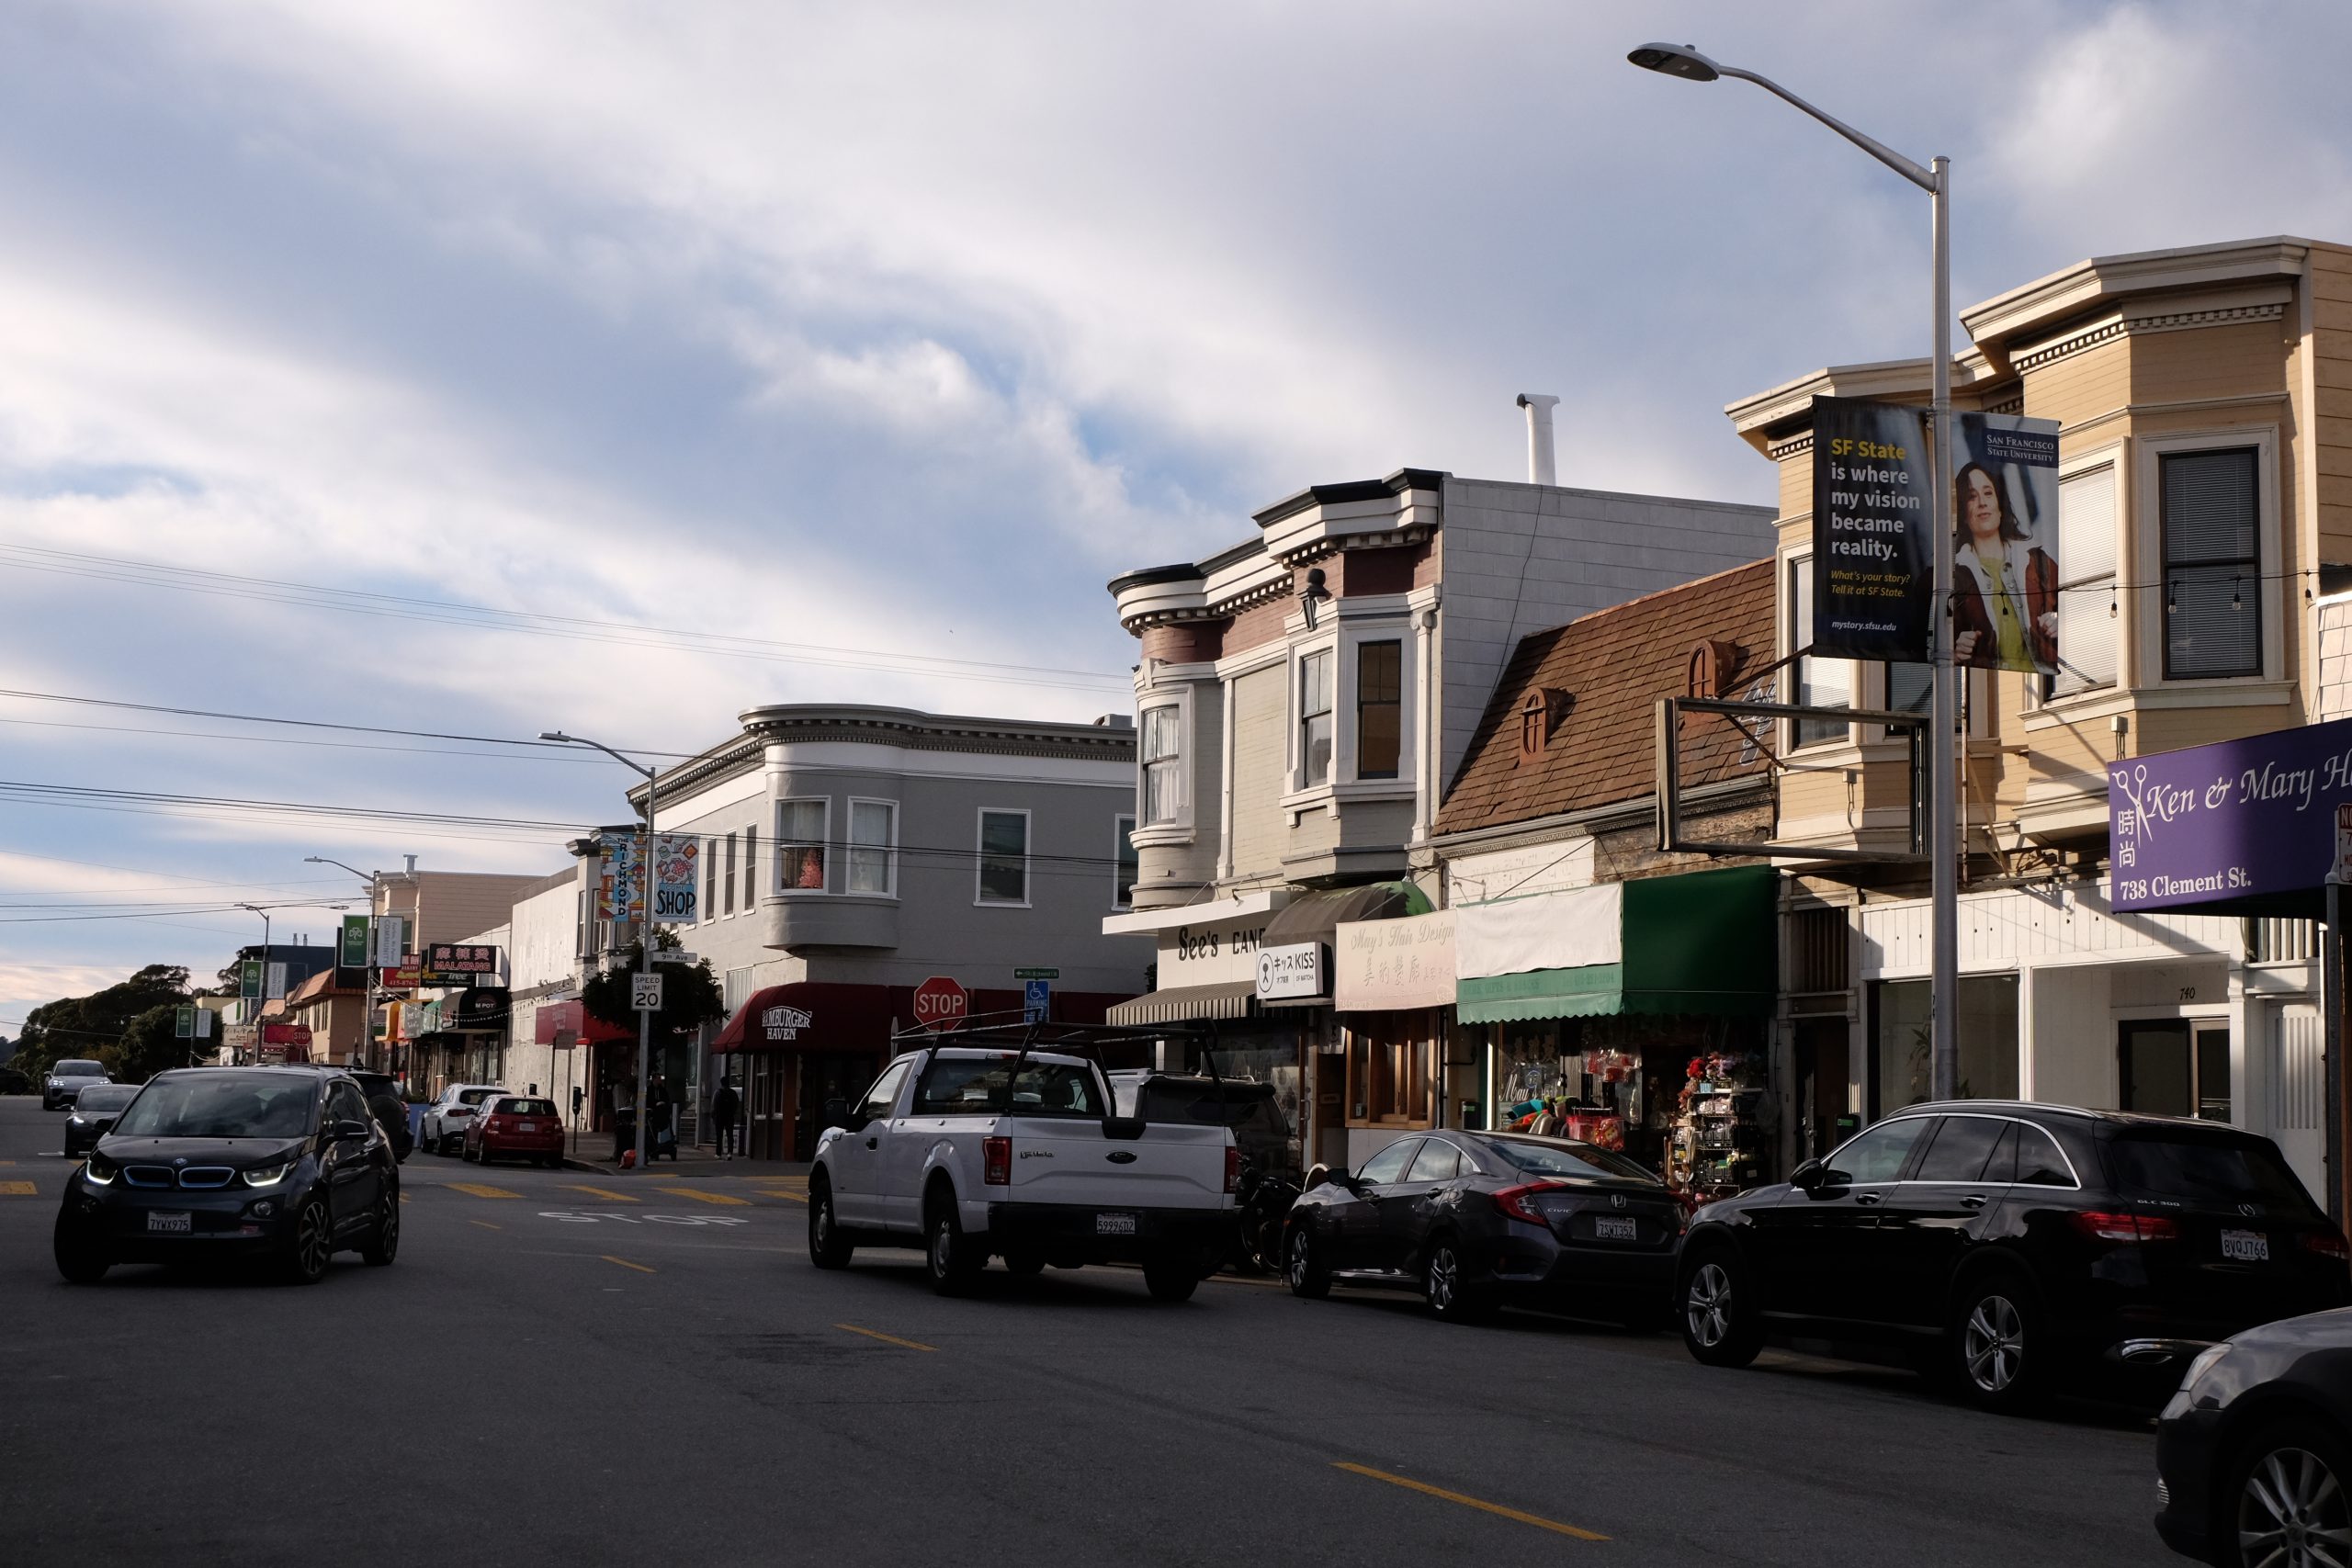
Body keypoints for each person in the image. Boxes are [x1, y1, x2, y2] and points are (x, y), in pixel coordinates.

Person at [1950, 461, 2057, 675]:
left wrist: (2059, 620)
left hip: (2044, 681)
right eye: (1972, 496)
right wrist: (1954, 650)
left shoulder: (2038, 562)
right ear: (1963, 510)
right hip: (1992, 683)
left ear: (2000, 504)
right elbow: (1930, 639)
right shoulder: (1953, 576)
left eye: (1988, 493)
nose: (1982, 502)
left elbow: (2079, 611)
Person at [709, 1075, 742, 1159]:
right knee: (730, 1135)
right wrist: (733, 1113)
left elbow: (714, 1105)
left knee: (719, 1136)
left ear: (721, 1083)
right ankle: (729, 1153)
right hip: (729, 1117)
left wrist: (713, 1116)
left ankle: (718, 1153)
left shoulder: (718, 1092)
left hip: (719, 1117)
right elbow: (736, 1104)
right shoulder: (733, 1093)